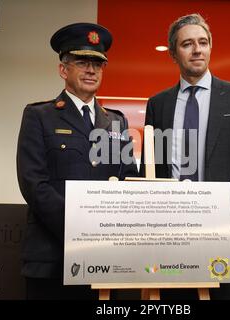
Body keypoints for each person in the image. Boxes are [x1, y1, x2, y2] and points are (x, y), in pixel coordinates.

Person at [141, 13, 230, 300]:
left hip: (223, 233)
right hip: (169, 236)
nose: (197, 50)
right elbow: (152, 171)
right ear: (173, 53)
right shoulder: (158, 104)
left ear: (210, 47)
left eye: (203, 42)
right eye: (187, 44)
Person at [16, 22, 138, 300]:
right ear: (63, 69)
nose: (91, 70)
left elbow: (129, 180)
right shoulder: (39, 116)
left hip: (107, 259)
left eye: (98, 64)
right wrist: (80, 230)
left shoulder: (117, 122)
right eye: (82, 62)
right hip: (51, 258)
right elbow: (34, 183)